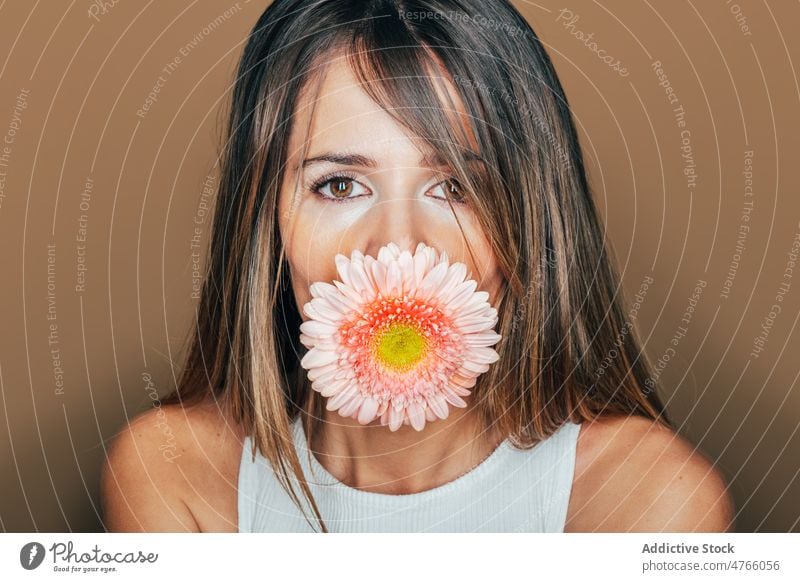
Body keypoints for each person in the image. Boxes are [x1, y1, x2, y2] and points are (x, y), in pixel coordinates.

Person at [101, 0, 734, 532]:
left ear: (531, 217)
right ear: (266, 218)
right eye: (340, 185)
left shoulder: (647, 502)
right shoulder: (172, 475)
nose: (397, 246)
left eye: (456, 186)